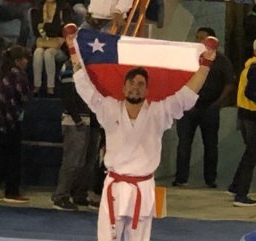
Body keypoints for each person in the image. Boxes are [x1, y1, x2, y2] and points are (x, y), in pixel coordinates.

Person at [72, 38, 217, 240]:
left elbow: (186, 95)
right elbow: (85, 88)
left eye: (140, 84)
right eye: (131, 83)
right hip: (115, 184)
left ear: (147, 90)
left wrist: (206, 65)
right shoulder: (109, 108)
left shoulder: (159, 112)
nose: (135, 87)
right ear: (123, 88)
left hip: (142, 186)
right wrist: (72, 48)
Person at [172, 27, 236, 188]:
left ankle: (210, 179)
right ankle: (181, 178)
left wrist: (217, 104)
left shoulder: (221, 60)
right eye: (197, 37)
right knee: (184, 143)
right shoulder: (189, 58)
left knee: (210, 145)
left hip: (209, 107)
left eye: (202, 38)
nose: (198, 41)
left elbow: (229, 84)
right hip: (188, 107)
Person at [0, 45, 32, 203]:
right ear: (18, 60)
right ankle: (11, 191)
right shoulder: (17, 75)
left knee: (4, 156)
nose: (27, 62)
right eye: (25, 58)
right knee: (13, 157)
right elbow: (22, 97)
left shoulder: (3, 74)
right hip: (10, 120)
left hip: (1, 120)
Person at [51, 59, 101, 211]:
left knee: (88, 162)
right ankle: (60, 196)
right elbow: (66, 94)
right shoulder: (69, 65)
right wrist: (76, 118)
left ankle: (79, 194)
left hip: (91, 119)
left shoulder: (93, 66)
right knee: (73, 161)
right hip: (76, 120)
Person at [227, 39, 256, 207]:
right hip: (252, 117)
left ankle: (235, 187)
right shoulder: (255, 68)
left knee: (249, 154)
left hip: (245, 115)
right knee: (251, 156)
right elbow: (251, 92)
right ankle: (241, 194)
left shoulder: (249, 66)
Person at [31, 0, 73, 97]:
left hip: (60, 48)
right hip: (43, 43)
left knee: (48, 53)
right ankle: (37, 86)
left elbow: (65, 29)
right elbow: (35, 30)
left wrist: (44, 27)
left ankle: (51, 87)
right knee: (38, 52)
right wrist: (52, 30)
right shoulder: (38, 8)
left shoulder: (64, 8)